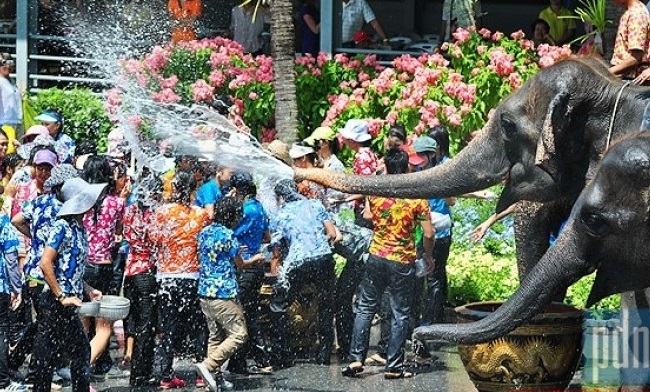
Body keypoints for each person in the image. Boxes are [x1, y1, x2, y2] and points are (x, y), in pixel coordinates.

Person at [342, 147, 434, 380]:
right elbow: (429, 234)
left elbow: (367, 217)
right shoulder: (416, 197)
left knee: (365, 307)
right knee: (400, 313)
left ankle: (355, 359)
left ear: (387, 165)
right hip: (402, 260)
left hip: (376, 256)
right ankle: (393, 366)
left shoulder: (376, 191)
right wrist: (428, 255)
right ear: (406, 167)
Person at [32, 177, 106, 392]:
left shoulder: (80, 229)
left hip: (67, 302)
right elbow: (45, 263)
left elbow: (70, 268)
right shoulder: (61, 227)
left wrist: (88, 289)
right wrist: (61, 296)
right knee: (54, 356)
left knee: (71, 353)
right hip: (55, 302)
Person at [10, 163, 79, 384]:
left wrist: (36, 238)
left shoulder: (39, 202)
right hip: (49, 274)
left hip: (32, 273)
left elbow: (16, 220)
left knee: (43, 324)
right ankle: (37, 374)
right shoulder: (64, 208)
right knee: (46, 330)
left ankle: (24, 365)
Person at [194, 196, 265, 391]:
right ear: (233, 215)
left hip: (205, 293)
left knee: (215, 336)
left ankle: (214, 381)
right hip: (224, 293)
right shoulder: (228, 235)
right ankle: (207, 367)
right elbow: (241, 265)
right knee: (239, 334)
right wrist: (256, 258)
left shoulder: (204, 232)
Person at [148, 170, 210, 389]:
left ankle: (165, 376)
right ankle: (203, 373)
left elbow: (153, 239)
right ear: (193, 189)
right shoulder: (201, 214)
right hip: (192, 276)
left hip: (167, 277)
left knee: (169, 327)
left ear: (174, 189)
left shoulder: (162, 212)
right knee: (198, 326)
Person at [268, 179, 337, 367]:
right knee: (325, 306)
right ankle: (323, 356)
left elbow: (276, 249)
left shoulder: (280, 215)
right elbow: (331, 232)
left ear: (281, 197)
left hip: (297, 262)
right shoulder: (315, 204)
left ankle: (283, 355)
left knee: (278, 305)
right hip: (323, 258)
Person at [226, 172, 273, 376]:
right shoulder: (259, 207)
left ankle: (253, 361)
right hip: (255, 264)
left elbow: (230, 233)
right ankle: (248, 360)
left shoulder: (245, 209)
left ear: (237, 190)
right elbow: (266, 236)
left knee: (243, 314)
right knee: (249, 312)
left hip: (245, 265)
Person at [122, 175, 160, 387]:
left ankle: (135, 371)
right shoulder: (153, 217)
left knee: (134, 322)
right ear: (153, 194)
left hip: (130, 273)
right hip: (147, 273)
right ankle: (141, 373)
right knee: (147, 326)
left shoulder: (129, 212)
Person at [0, 209, 25, 392]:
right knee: (1, 332)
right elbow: (10, 257)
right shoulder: (2, 220)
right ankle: (2, 381)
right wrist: (17, 288)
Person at [610, 0, 650, 79]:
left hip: (632, 80)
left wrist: (606, 73)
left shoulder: (636, 15)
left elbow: (635, 58)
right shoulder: (631, 11)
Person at [0, 54, 21, 138]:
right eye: (3, 64)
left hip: (17, 122)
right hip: (4, 122)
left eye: (10, 63)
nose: (7, 66)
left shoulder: (12, 82)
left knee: (18, 149)